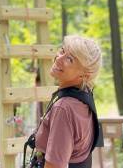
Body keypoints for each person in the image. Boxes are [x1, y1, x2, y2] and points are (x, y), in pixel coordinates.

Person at [24, 35, 102, 168]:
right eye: (62, 50)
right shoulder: (84, 96)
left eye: (70, 59)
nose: (59, 58)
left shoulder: (64, 108)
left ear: (85, 74)